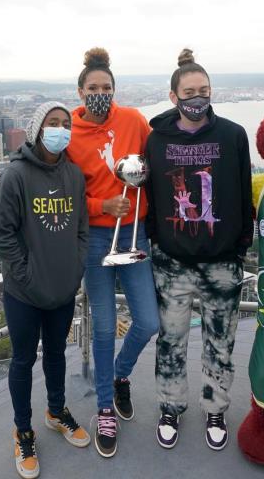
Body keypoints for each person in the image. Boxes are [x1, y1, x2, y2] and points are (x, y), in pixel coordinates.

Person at [144, 49, 253, 451]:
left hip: (222, 262)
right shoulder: (156, 140)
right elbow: (152, 199)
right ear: (173, 96)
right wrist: (158, 241)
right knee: (170, 340)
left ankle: (215, 409)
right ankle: (170, 406)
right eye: (189, 91)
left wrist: (240, 245)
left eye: (204, 90)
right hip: (172, 263)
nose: (197, 97)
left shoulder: (233, 135)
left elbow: (244, 192)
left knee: (220, 341)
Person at [66, 47, 160, 458]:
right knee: (103, 327)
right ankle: (104, 405)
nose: (99, 93)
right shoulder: (67, 129)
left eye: (106, 87)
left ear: (114, 89)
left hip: (134, 235)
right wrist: (100, 206)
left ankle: (120, 375)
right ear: (81, 90)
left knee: (149, 320)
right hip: (97, 239)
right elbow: (63, 193)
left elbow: (157, 159)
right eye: (93, 88)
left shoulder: (133, 121)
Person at [0, 101, 90, 479]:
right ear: (37, 129)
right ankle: (23, 430)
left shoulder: (75, 176)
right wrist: (26, 273)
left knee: (58, 353)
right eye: (53, 123)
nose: (61, 129)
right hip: (25, 293)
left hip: (63, 289)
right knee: (22, 360)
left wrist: (76, 266)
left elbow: (81, 228)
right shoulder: (15, 176)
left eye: (66, 124)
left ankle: (56, 410)